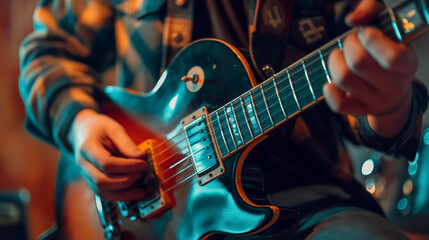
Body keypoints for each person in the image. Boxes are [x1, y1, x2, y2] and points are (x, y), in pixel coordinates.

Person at [19, 0, 428, 239]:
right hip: (146, 215)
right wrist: (79, 124)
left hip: (307, 204)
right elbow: (46, 53)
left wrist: (389, 107)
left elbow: (362, 114)